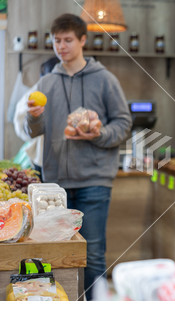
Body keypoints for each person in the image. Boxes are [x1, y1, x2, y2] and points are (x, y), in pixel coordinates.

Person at [24, 13, 132, 300]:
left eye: (68, 40)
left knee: (93, 253)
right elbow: (33, 132)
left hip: (95, 181)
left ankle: (94, 307)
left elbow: (123, 124)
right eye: (57, 40)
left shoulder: (105, 80)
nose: (61, 46)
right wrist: (32, 117)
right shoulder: (46, 83)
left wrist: (96, 134)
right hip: (55, 187)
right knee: (57, 253)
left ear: (83, 40)